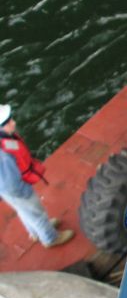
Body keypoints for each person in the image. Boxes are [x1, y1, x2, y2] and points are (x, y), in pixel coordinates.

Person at [0, 104, 74, 247]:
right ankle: (50, 238)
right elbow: (9, 182)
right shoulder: (3, 155)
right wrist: (24, 192)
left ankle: (35, 232)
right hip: (16, 189)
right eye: (8, 122)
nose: (13, 123)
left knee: (24, 210)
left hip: (9, 190)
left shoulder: (4, 141)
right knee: (36, 212)